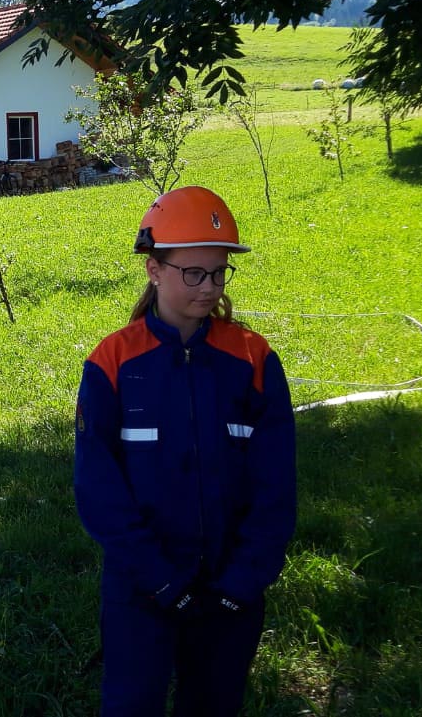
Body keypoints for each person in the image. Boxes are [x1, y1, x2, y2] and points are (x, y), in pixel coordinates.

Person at [73, 186, 296, 716]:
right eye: (192, 273)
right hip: (142, 588)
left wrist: (242, 582)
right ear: (154, 269)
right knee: (132, 704)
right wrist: (161, 580)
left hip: (231, 588)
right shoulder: (113, 362)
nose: (208, 287)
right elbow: (97, 488)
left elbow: (275, 487)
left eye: (218, 273)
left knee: (214, 705)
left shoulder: (254, 359)